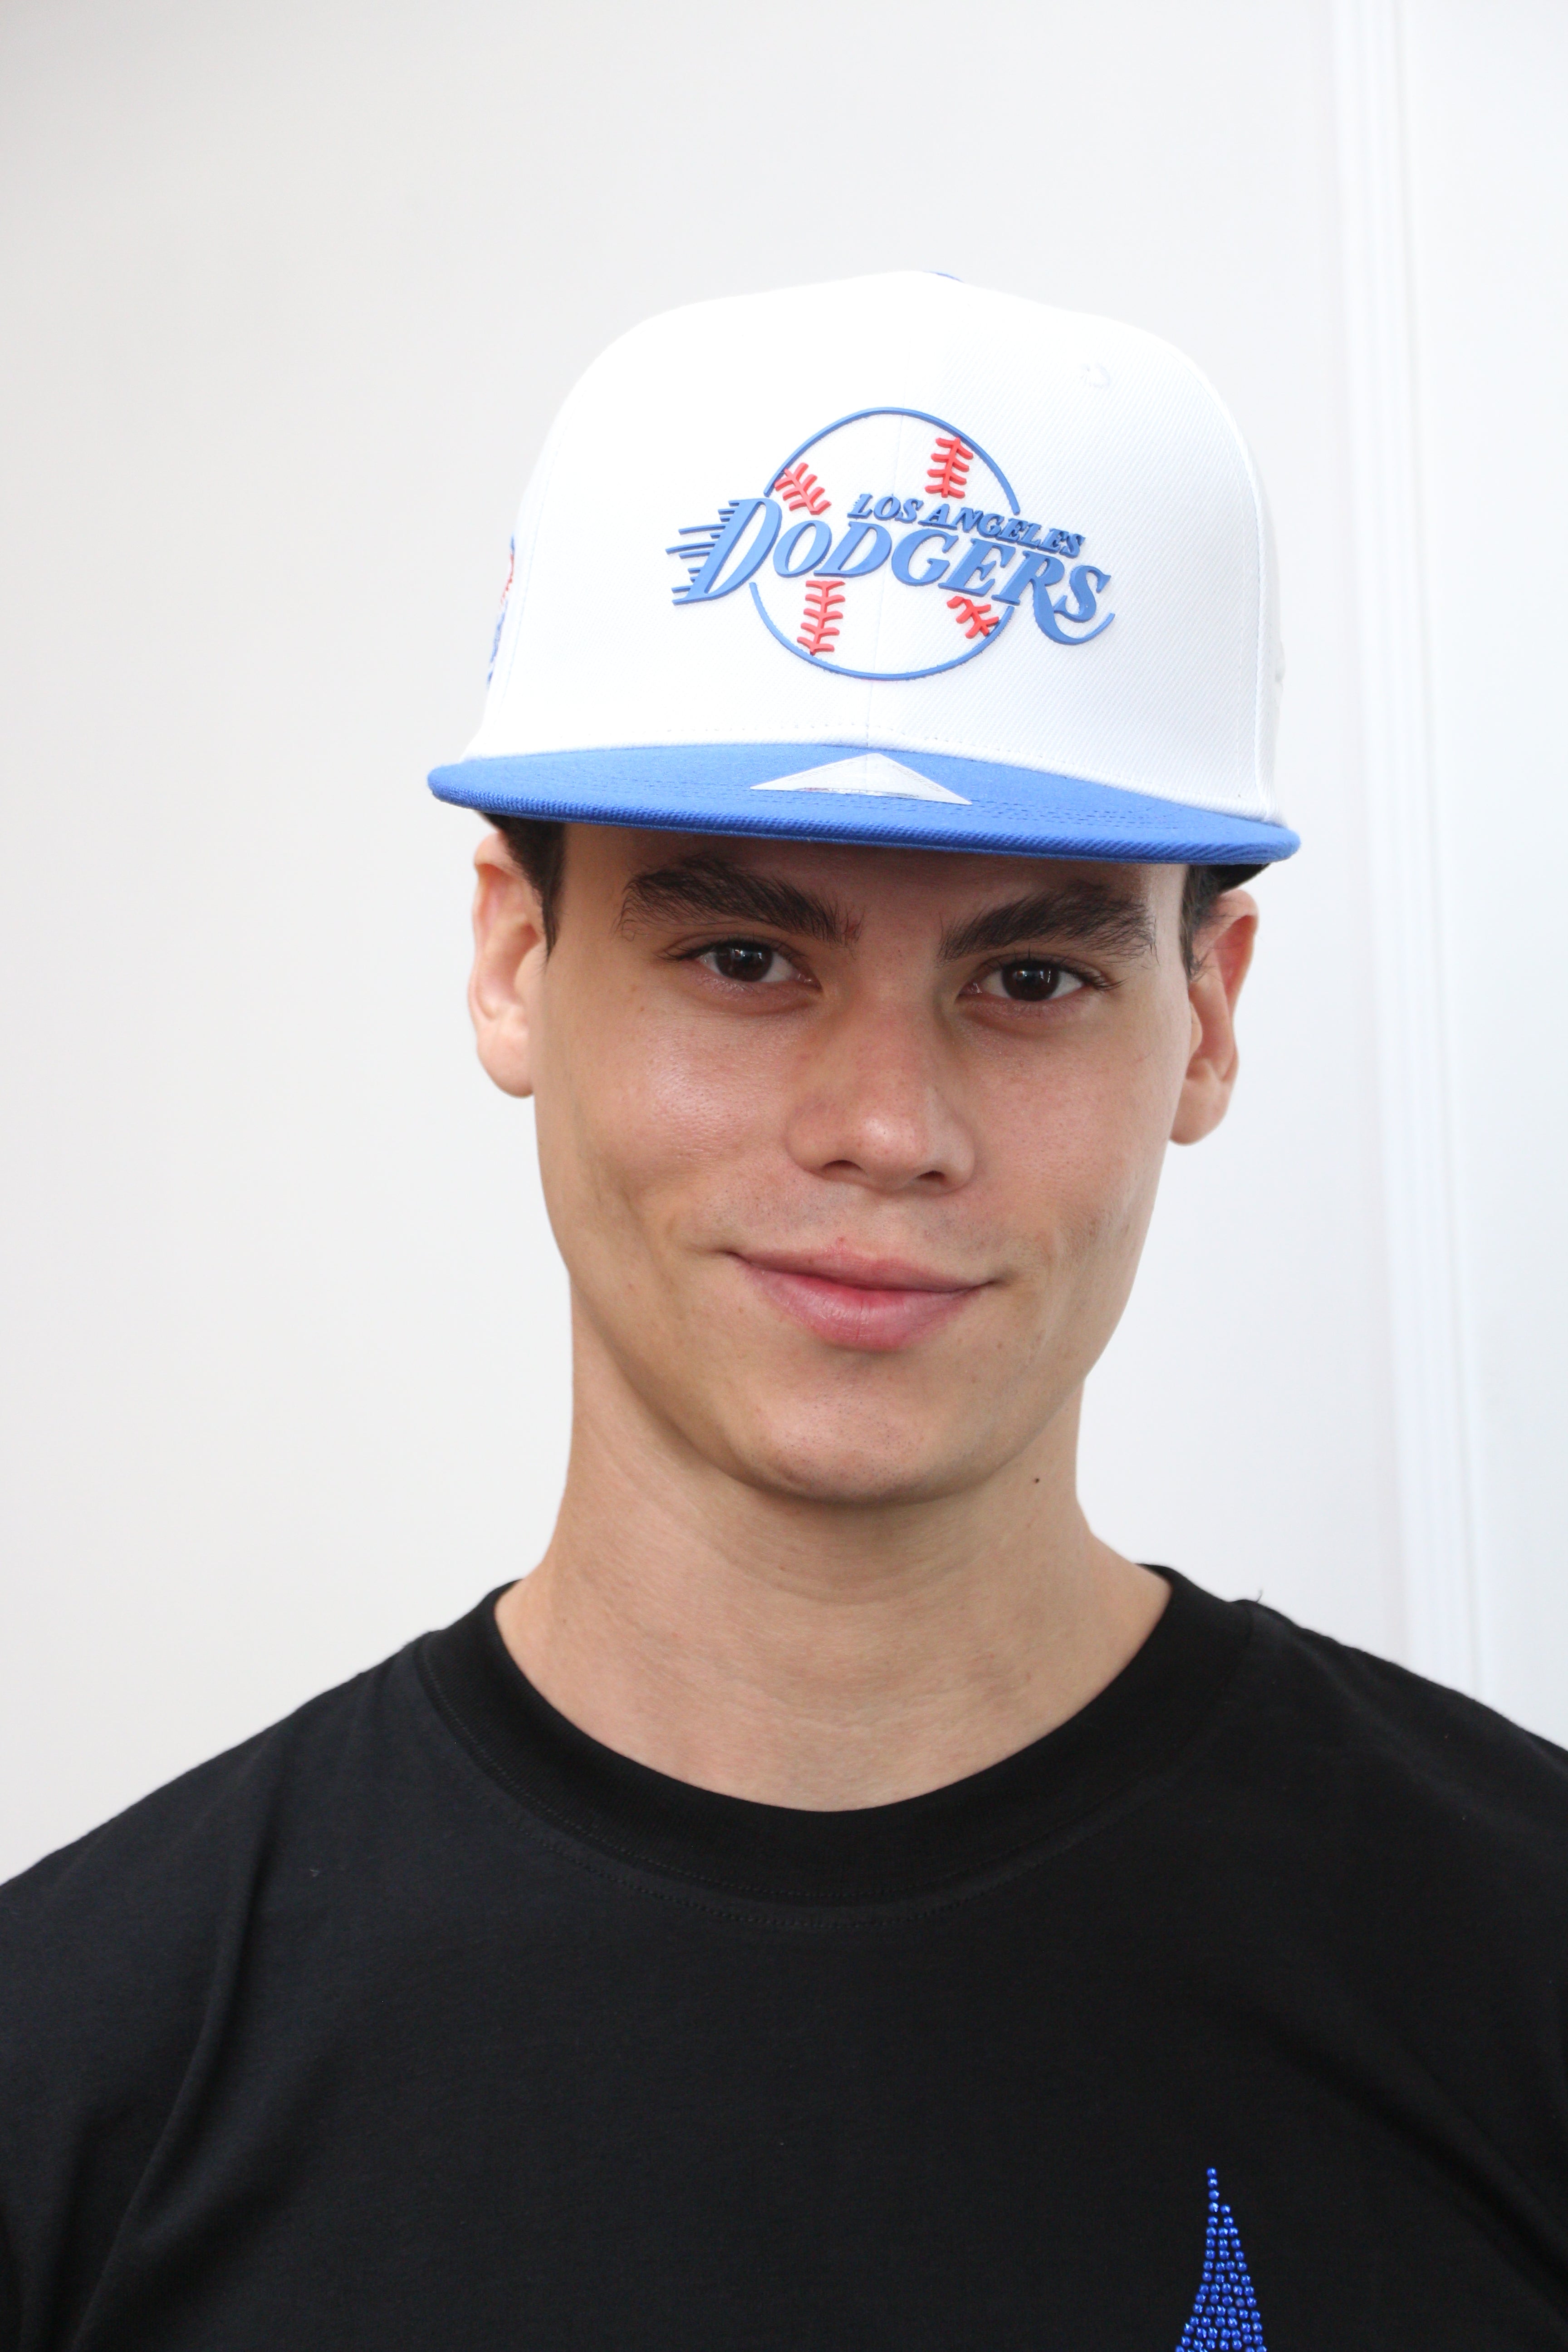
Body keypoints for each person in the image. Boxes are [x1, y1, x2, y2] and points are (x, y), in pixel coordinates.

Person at [2, 271, 1565, 2352]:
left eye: (1031, 977)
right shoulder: (75, 2086)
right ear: (513, 961)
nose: (887, 1126)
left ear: (1206, 1019)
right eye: (746, 959)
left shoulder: (1520, 1967)